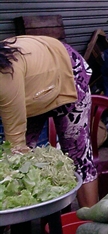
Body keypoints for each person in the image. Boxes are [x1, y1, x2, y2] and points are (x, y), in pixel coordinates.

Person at [0, 35, 98, 207]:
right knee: (21, 158)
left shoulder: (5, 77)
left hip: (65, 69)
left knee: (77, 153)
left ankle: (91, 223)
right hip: (33, 86)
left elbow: (15, 143)